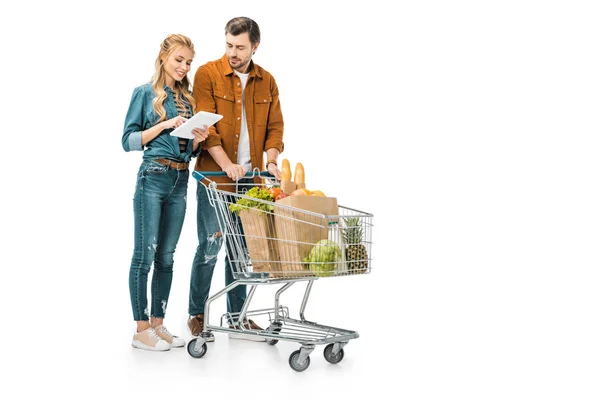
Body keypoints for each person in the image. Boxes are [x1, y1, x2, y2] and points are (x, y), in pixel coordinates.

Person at [188, 17, 284, 341]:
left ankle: (236, 317)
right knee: (210, 245)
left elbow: (275, 128)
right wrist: (228, 164)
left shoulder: (267, 81)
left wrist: (271, 162)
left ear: (255, 46)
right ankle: (197, 315)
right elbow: (206, 128)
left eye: (240, 47)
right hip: (215, 177)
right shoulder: (207, 74)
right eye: (229, 44)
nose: (233, 52)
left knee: (240, 250)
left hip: (250, 180)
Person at [122, 34, 208, 351]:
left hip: (180, 180)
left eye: (188, 62)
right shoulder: (145, 94)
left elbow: (189, 150)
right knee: (144, 256)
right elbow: (128, 141)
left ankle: (159, 325)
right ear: (164, 58)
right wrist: (164, 124)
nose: (184, 67)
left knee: (167, 258)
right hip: (153, 177)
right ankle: (141, 328)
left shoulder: (188, 100)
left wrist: (198, 138)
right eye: (178, 60)